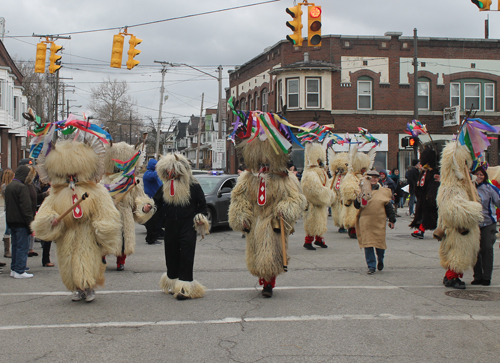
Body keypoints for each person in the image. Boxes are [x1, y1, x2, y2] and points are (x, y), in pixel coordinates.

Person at [155, 153, 209, 300]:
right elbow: (156, 203)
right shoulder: (165, 186)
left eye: (174, 170)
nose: (172, 174)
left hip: (187, 225)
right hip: (171, 225)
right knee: (171, 254)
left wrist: (200, 218)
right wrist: (147, 207)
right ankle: (173, 282)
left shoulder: (193, 186)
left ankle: (185, 287)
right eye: (169, 171)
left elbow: (202, 206)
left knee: (186, 255)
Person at [102, 142, 155, 271]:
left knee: (124, 239)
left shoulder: (131, 182)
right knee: (104, 236)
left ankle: (121, 261)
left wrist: (144, 207)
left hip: (125, 215)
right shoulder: (105, 181)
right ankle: (101, 257)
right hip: (108, 214)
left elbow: (140, 198)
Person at [354, 170, 396, 274]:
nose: (373, 179)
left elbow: (389, 207)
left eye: (375, 177)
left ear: (378, 179)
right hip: (366, 221)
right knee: (367, 244)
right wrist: (358, 199)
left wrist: (392, 220)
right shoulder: (361, 191)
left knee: (379, 244)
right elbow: (356, 206)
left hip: (379, 221)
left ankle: (380, 259)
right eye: (370, 177)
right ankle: (371, 266)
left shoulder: (384, 191)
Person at [301, 143, 335, 250]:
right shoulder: (311, 173)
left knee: (320, 221)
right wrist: (327, 194)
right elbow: (314, 189)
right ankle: (308, 241)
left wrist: (329, 193)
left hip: (321, 203)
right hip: (313, 202)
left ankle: (319, 239)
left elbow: (326, 184)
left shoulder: (321, 172)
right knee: (312, 222)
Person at [5, 164, 35, 278]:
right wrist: (30, 224)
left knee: (15, 246)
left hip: (11, 221)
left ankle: (14, 268)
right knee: (22, 247)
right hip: (21, 222)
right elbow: (26, 208)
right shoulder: (22, 187)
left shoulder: (10, 186)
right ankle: (20, 270)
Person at [471, 165, 500, 286]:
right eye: (477, 174)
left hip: (488, 223)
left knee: (487, 248)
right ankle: (477, 276)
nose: (479, 177)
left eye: (481, 175)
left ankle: (487, 277)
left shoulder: (490, 188)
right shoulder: (470, 188)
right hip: (474, 224)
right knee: (475, 250)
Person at [410, 147, 440, 239]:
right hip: (423, 195)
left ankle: (422, 230)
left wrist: (431, 195)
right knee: (422, 213)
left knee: (430, 214)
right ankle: (420, 229)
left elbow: (433, 185)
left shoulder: (435, 171)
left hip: (430, 196)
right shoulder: (424, 170)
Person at [143, 158, 164, 245]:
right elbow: (155, 175)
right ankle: (151, 237)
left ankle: (157, 233)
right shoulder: (148, 174)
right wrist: (161, 168)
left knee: (158, 220)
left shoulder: (154, 174)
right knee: (152, 220)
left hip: (157, 200)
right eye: (156, 166)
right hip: (151, 201)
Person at [1, 168, 14, 260]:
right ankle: (7, 250)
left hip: (8, 209)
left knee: (9, 228)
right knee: (8, 229)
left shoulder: (4, 186)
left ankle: (8, 250)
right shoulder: (7, 187)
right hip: (10, 209)